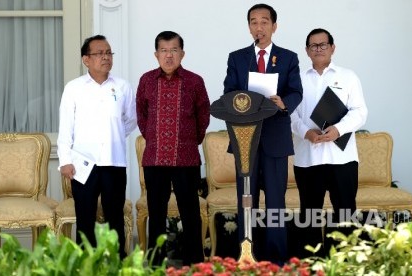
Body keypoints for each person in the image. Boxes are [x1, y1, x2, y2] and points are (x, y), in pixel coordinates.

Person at [223, 3, 303, 265]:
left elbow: (296, 92)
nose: (259, 27)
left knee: (276, 203)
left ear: (274, 26)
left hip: (275, 139)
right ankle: (247, 257)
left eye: (264, 22)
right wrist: (241, 100)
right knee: (246, 201)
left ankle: (277, 260)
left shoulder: (288, 57)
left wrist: (283, 103)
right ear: (249, 27)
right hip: (245, 139)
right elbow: (228, 93)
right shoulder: (237, 57)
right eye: (254, 22)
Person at [57, 35, 137, 259]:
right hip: (83, 163)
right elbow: (66, 127)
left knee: (115, 216)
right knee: (85, 216)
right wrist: (65, 161)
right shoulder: (74, 88)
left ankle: (117, 262)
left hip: (114, 161)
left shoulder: (122, 86)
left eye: (109, 53)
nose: (106, 57)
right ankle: (85, 262)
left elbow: (131, 120)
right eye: (100, 53)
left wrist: (114, 136)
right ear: (86, 59)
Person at [290, 28, 368, 258]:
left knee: (345, 214)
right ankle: (312, 264)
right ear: (306, 51)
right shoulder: (297, 79)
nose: (319, 49)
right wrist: (306, 132)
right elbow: (289, 114)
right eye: (313, 46)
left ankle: (343, 263)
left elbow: (360, 111)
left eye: (323, 45)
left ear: (332, 48)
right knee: (309, 215)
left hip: (341, 158)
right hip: (308, 157)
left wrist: (338, 129)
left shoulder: (348, 76)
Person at [136, 31, 210, 265]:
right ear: (156, 54)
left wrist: (189, 140)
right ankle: (156, 263)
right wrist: (155, 138)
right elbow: (142, 116)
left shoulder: (194, 81)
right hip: (155, 159)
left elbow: (203, 116)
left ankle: (194, 263)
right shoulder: (146, 80)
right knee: (156, 214)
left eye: (174, 50)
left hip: (186, 158)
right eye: (164, 51)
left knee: (190, 214)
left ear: (182, 53)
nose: (169, 56)